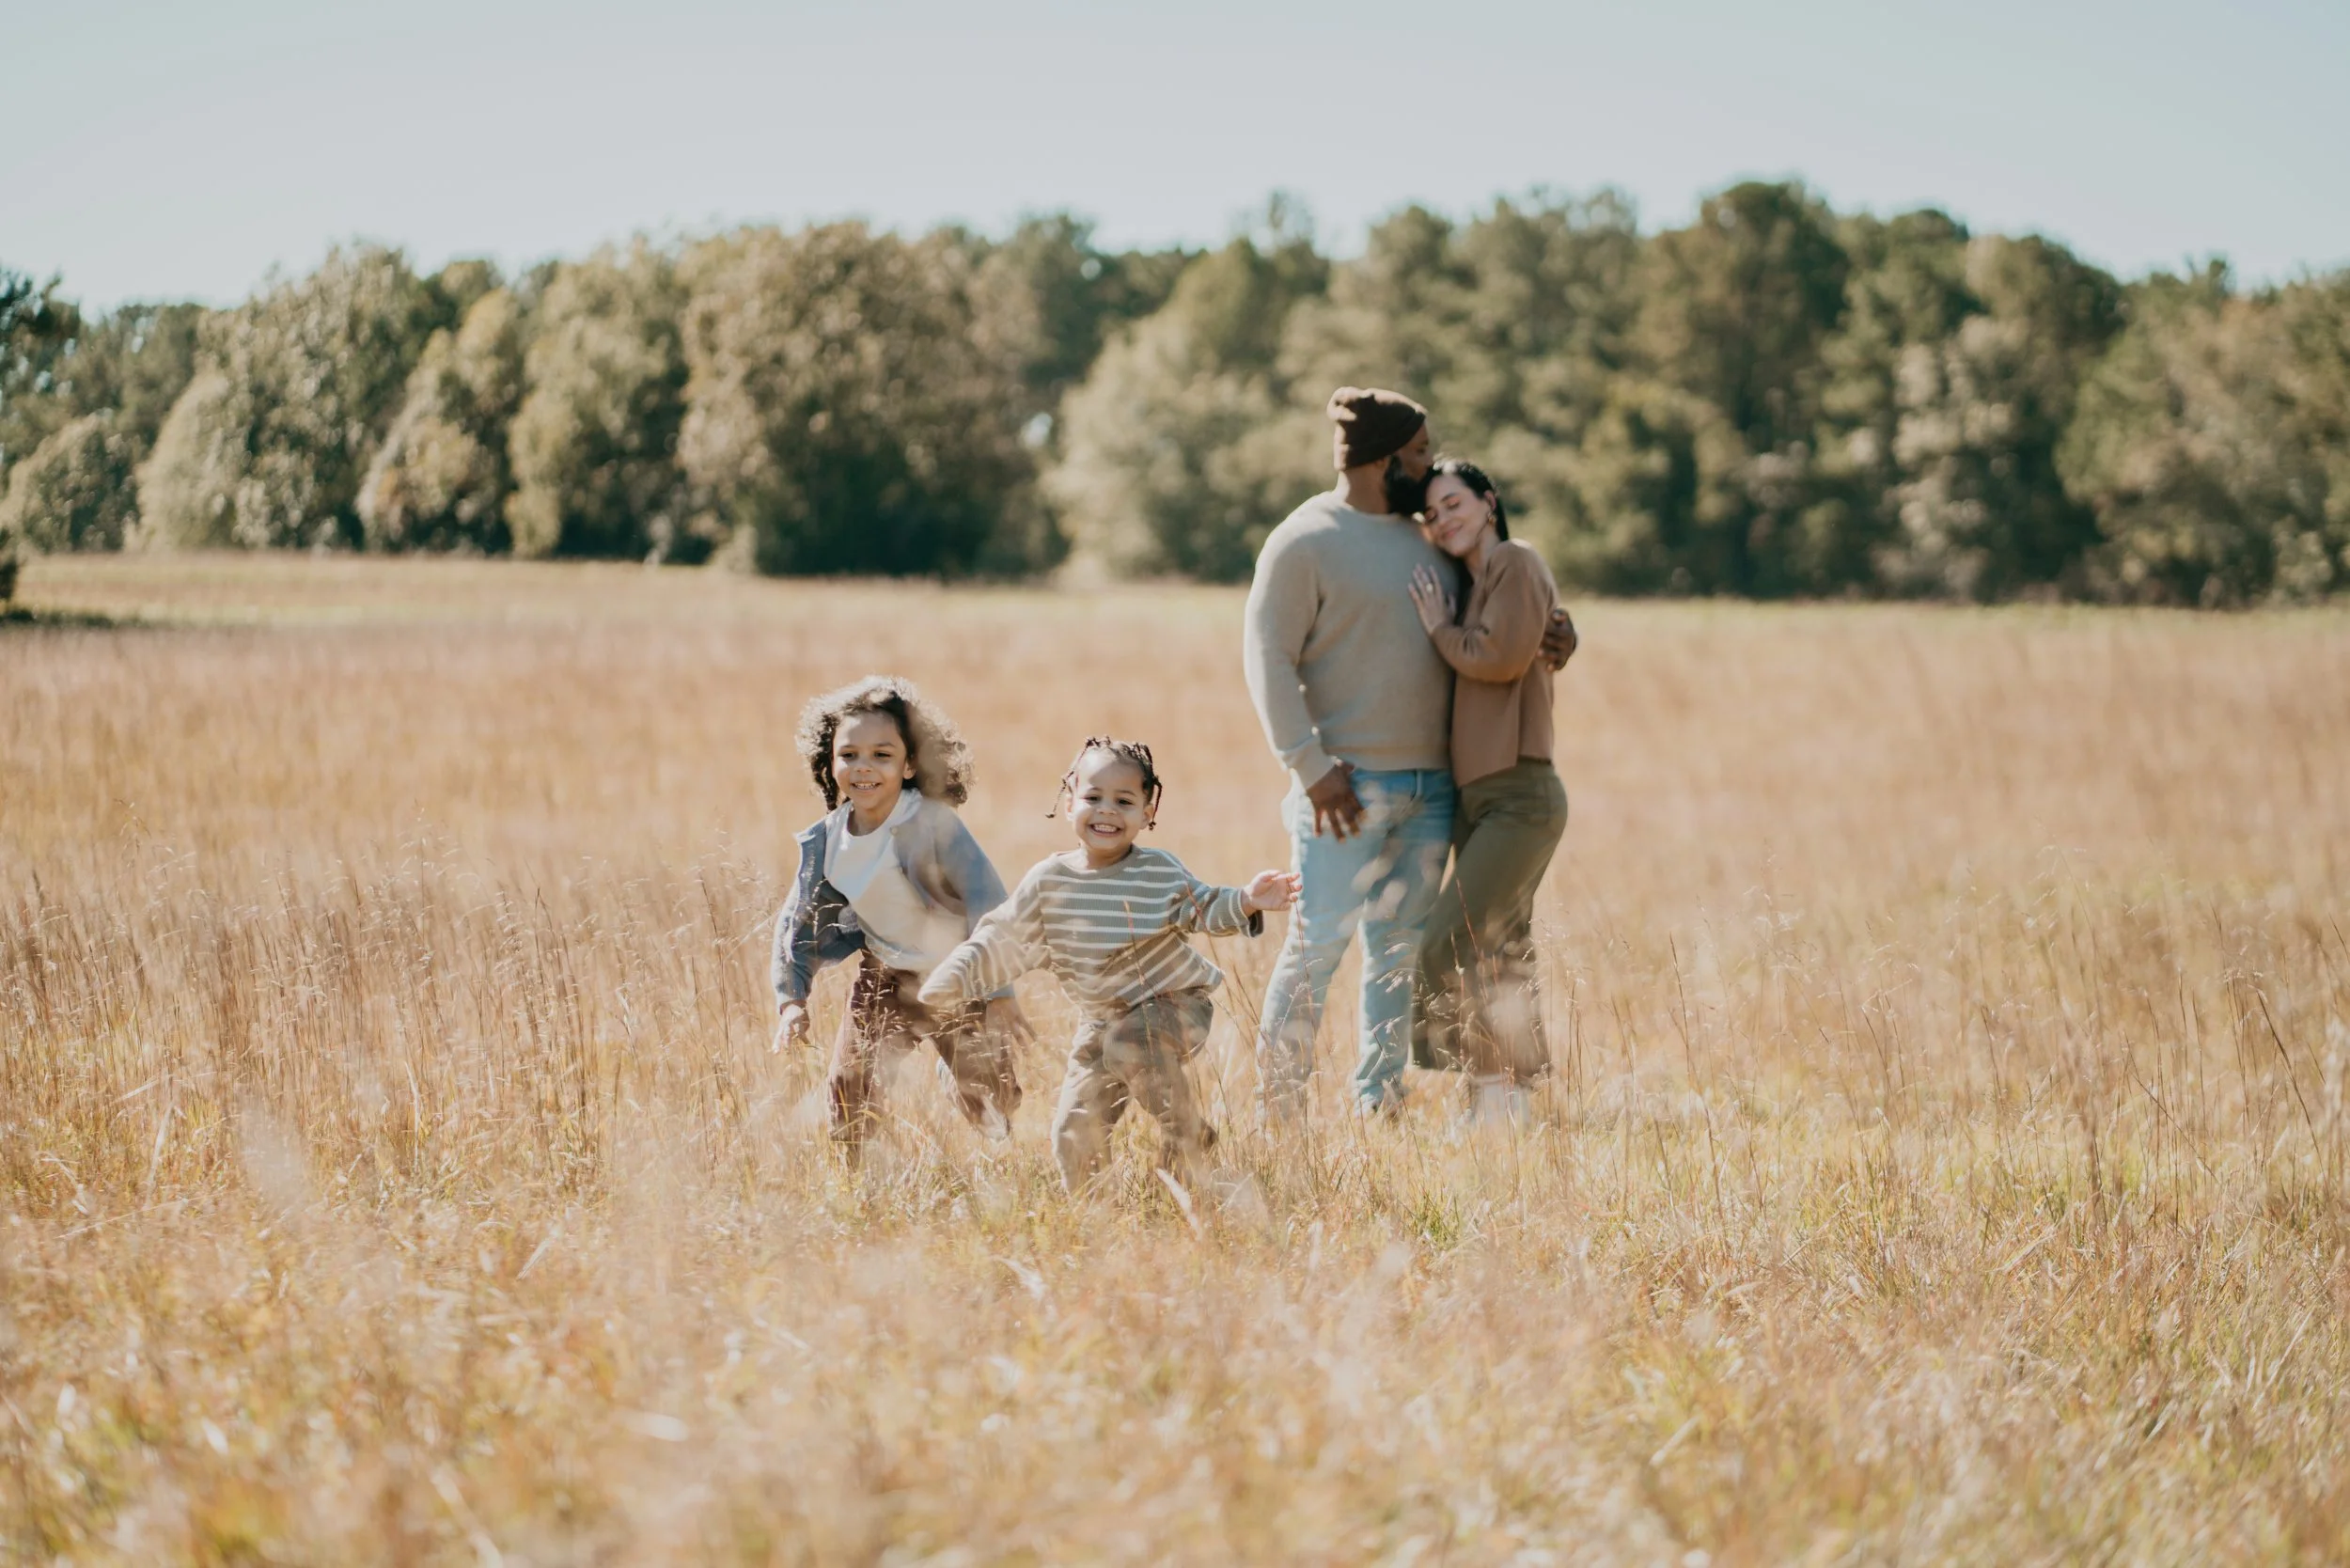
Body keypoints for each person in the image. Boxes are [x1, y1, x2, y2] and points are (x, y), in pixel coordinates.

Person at [1244, 386, 1573, 1118]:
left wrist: (1560, 631)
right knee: (1315, 950)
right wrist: (1310, 768)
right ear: (1384, 459)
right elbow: (1266, 659)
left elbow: (1503, 606)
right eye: (1420, 454)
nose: (1429, 471)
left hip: (1436, 791)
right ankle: (1280, 1110)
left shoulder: (1429, 537)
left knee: (1397, 955)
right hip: (1344, 788)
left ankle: (1379, 1102)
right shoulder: (1303, 540)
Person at [920, 738, 1299, 1192]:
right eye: (1093, 798)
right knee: (1073, 1135)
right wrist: (951, 979)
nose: (1107, 811)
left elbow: (1202, 907)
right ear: (1068, 804)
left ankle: (1189, 1139)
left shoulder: (1156, 871)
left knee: (1130, 1043)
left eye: (1124, 801)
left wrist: (1247, 900)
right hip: (1101, 1022)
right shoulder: (1049, 882)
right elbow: (1000, 935)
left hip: (1174, 1004)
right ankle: (1096, 1214)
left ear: (1148, 812)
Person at [770, 676, 1033, 1156]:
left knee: (993, 1100)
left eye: (882, 755)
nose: (863, 768)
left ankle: (978, 1119)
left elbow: (988, 900)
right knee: (849, 1090)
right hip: (885, 977)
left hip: (956, 975)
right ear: (830, 762)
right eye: (849, 754)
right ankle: (858, 1189)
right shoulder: (827, 842)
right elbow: (797, 925)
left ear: (910, 764)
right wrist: (792, 1001)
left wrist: (998, 990)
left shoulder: (930, 823)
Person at [1405, 460, 1570, 1121]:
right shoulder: (1474, 584)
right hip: (1478, 797)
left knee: (1447, 938)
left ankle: (1490, 1085)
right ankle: (1505, 1098)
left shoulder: (1516, 563)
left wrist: (1438, 629)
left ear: (1489, 501)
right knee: (1500, 948)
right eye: (1432, 514)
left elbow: (1500, 659)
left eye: (1453, 504)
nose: (1443, 519)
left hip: (1521, 793)